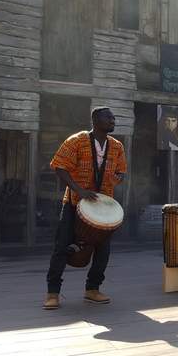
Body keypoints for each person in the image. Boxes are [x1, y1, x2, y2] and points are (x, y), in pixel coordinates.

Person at [44, 107, 127, 310]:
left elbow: (121, 171)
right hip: (74, 202)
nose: (113, 120)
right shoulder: (77, 140)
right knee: (62, 247)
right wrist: (79, 190)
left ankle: (92, 289)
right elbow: (59, 166)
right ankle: (53, 293)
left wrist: (116, 178)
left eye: (114, 117)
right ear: (95, 120)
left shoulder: (116, 146)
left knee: (103, 250)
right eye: (108, 117)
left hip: (102, 207)